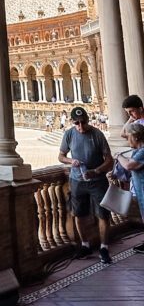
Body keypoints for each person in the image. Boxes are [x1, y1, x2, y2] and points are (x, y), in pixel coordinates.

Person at [59, 105, 114, 264]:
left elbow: (109, 160)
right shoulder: (69, 134)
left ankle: (104, 248)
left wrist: (96, 171)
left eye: (83, 122)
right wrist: (71, 161)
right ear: (72, 122)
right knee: (78, 213)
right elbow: (61, 156)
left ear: (88, 120)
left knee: (103, 214)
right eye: (77, 123)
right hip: (77, 181)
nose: (80, 126)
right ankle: (85, 245)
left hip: (97, 182)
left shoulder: (97, 135)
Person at [116, 122, 144, 253]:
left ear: (136, 137)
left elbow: (129, 166)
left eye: (129, 137)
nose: (127, 140)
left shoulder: (142, 151)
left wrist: (119, 156)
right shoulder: (137, 151)